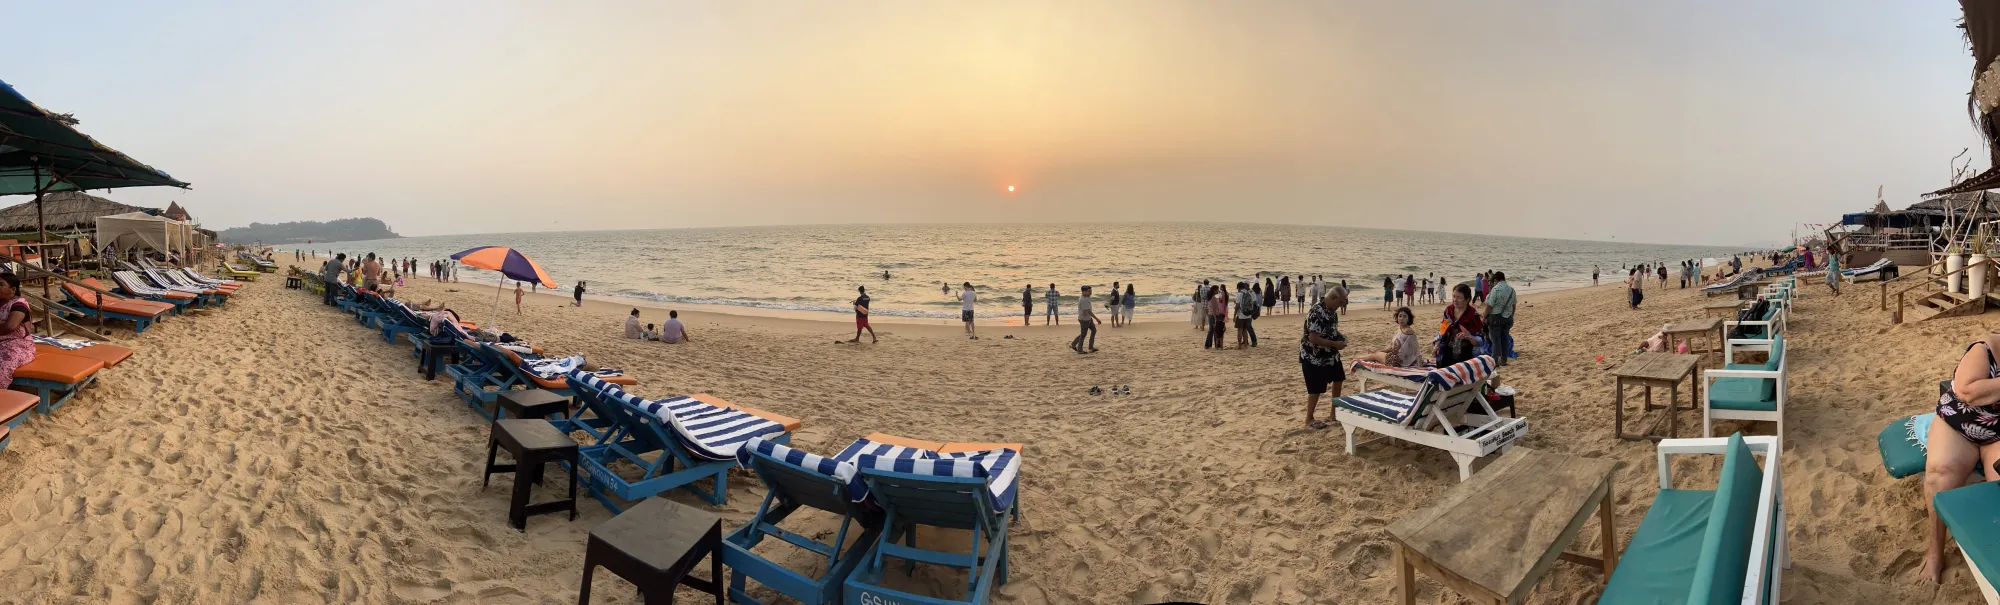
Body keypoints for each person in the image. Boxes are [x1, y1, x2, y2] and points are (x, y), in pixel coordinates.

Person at [1921, 333, 2000, 583]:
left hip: (1998, 433)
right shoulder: (1985, 349)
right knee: (1940, 474)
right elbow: (1968, 391)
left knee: (1997, 481)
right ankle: (1935, 551)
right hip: (1960, 423)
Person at [1299, 285, 1349, 429]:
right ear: (1333, 298)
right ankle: (1309, 419)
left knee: (1338, 379)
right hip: (1313, 355)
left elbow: (1331, 330)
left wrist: (1340, 338)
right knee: (1316, 388)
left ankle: (1333, 414)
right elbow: (1313, 338)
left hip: (1330, 353)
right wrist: (1335, 344)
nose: (1342, 305)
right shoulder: (1316, 311)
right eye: (1341, 302)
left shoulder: (1332, 311)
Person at [1355, 306, 1420, 367]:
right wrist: (1380, 350)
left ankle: (1357, 359)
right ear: (1397, 317)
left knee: (1374, 356)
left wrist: (1420, 366)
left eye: (1404, 317)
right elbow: (1392, 346)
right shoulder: (1400, 329)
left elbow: (1417, 349)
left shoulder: (1408, 331)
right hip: (1396, 358)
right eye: (1400, 316)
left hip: (1397, 361)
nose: (1401, 319)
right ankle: (1360, 358)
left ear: (1408, 319)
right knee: (1376, 353)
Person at [1438, 283, 1485, 366]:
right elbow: (1443, 330)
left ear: (1467, 299)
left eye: (1459, 297)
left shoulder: (1472, 314)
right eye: (1454, 296)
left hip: (1466, 354)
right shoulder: (1449, 310)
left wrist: (1467, 336)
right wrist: (1437, 344)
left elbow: (1480, 341)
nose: (1455, 300)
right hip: (1448, 351)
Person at [1484, 271, 1516, 366]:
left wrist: (1484, 315)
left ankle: (1494, 361)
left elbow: (1489, 305)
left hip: (1496, 318)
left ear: (1496, 280)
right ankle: (1504, 360)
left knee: (1495, 340)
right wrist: (1511, 315)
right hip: (1508, 318)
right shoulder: (1511, 290)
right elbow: (1514, 305)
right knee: (1505, 339)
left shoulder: (1495, 289)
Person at [1071, 285, 1099, 353]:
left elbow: (1087, 311)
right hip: (1084, 320)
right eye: (1089, 291)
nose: (1090, 293)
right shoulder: (1083, 300)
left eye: (1091, 291)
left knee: (1093, 330)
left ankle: (1090, 347)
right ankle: (1079, 349)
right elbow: (1087, 311)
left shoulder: (1086, 297)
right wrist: (1097, 319)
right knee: (1083, 334)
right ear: (1083, 291)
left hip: (1088, 318)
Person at [1235, 282, 1257, 349]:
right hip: (1248, 315)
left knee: (1240, 330)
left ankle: (1239, 346)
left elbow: (1237, 306)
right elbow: (1253, 303)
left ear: (1239, 288)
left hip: (1241, 315)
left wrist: (1234, 315)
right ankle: (1245, 345)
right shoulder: (1250, 293)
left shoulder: (1239, 294)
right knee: (1245, 330)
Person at [1205, 285, 1228, 349]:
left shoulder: (1210, 297)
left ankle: (1209, 344)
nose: (1218, 291)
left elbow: (1208, 308)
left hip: (1210, 314)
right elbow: (1215, 310)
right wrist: (1215, 319)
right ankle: (1214, 344)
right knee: (1214, 330)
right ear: (1214, 290)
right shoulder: (1214, 298)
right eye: (1217, 289)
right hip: (1213, 315)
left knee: (1211, 330)